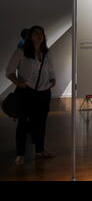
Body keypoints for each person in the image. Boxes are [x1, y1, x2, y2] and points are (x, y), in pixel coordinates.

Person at [6, 26, 56, 166]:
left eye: (41, 34)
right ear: (30, 37)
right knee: (23, 123)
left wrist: (53, 79)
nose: (39, 36)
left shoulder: (47, 52)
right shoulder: (20, 52)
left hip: (44, 92)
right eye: (36, 33)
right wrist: (17, 81)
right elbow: (9, 71)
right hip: (27, 92)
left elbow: (51, 69)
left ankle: (40, 150)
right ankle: (20, 154)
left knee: (41, 122)